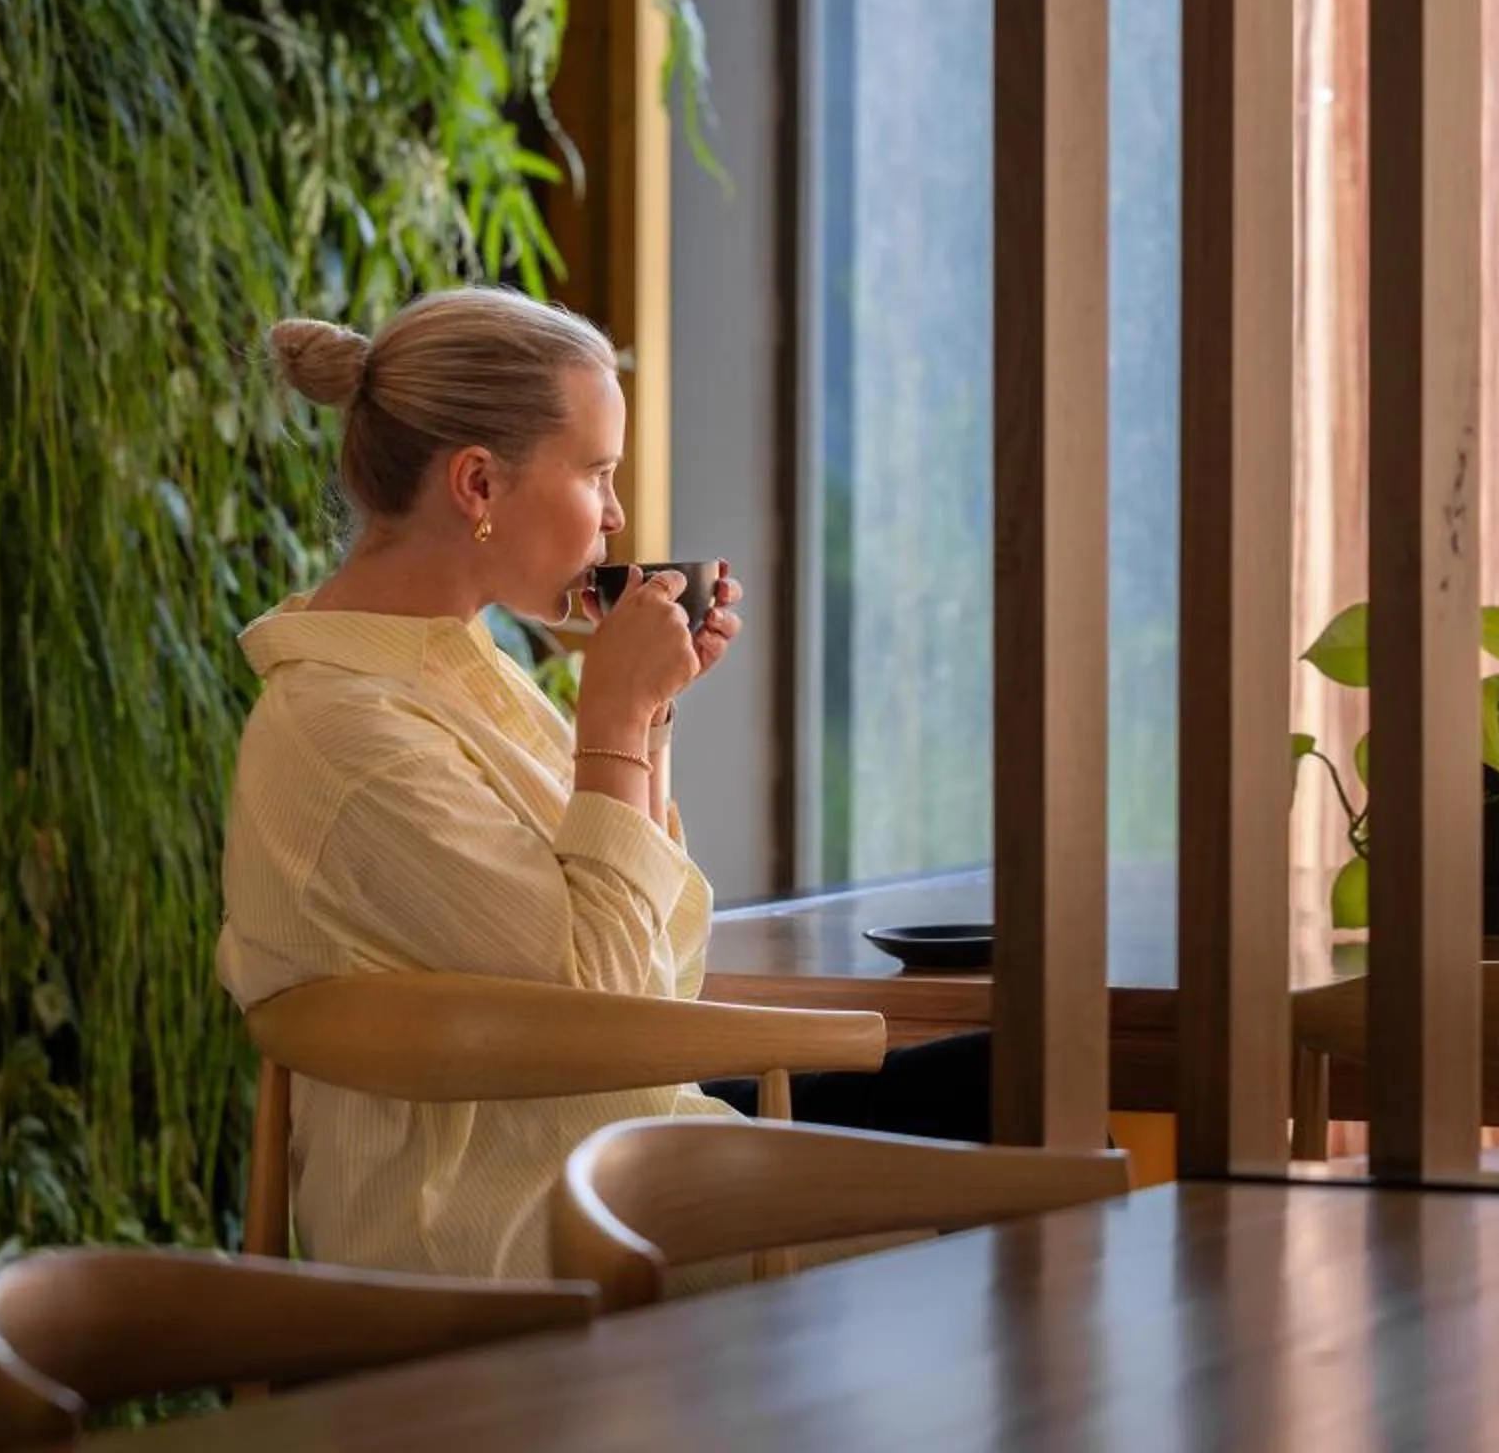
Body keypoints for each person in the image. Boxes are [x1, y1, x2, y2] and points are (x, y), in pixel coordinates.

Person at [217, 284, 988, 1282]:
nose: (617, 515)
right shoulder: (348, 733)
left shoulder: (455, 673)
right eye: (597, 472)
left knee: (1006, 1081)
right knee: (1012, 1120)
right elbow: (618, 1012)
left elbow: (662, 972)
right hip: (509, 1225)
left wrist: (648, 720)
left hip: (610, 1146)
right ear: (478, 484)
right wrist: (615, 718)